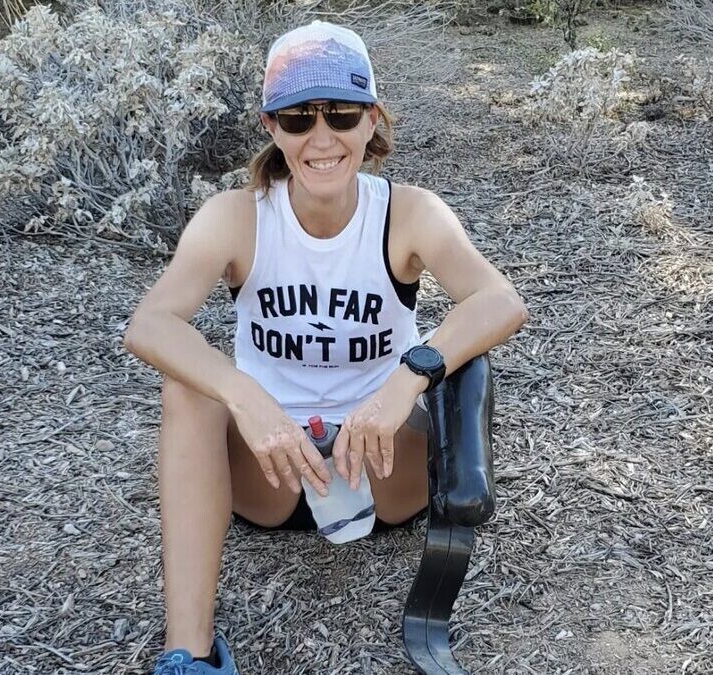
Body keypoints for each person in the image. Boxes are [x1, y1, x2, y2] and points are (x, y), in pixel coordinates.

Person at [123, 19, 530, 675]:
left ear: (371, 120)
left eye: (340, 114)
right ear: (270, 127)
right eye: (297, 117)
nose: (320, 138)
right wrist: (245, 396)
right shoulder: (237, 216)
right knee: (188, 389)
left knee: (454, 361)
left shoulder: (407, 213)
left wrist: (406, 379)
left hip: (383, 467)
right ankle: (189, 653)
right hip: (268, 472)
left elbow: (499, 301)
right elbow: (150, 324)